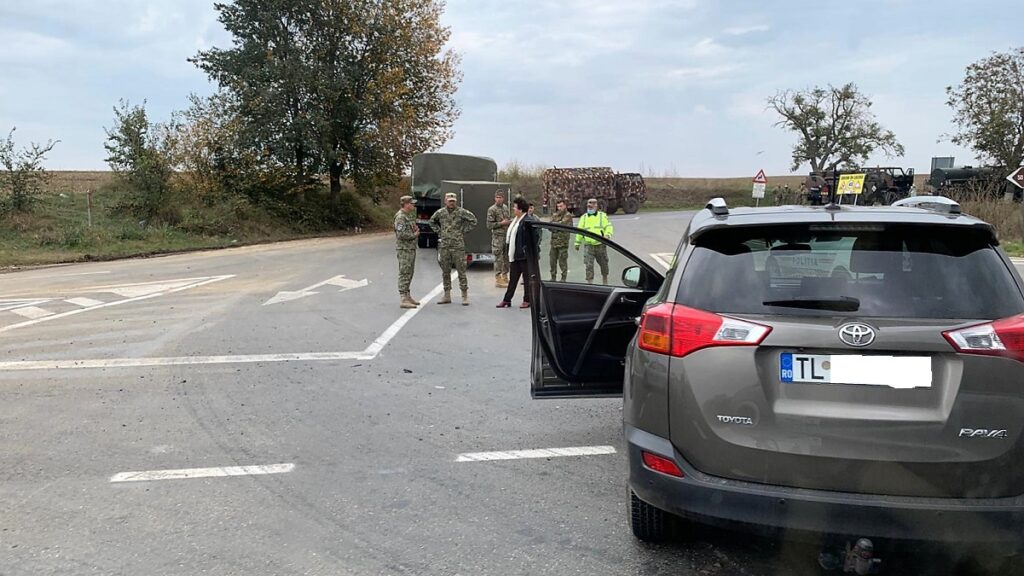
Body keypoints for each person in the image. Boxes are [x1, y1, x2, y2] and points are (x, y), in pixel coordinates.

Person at [429, 192, 478, 305]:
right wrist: (439, 232)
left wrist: (462, 231)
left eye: (453, 201)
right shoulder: (440, 212)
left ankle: (464, 295)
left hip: (457, 246)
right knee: (445, 271)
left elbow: (473, 221)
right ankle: (447, 295)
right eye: (450, 201)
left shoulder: (461, 212)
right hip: (445, 246)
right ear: (445, 201)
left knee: (461, 271)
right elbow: (431, 221)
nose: (451, 203)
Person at [496, 197, 537, 309]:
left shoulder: (527, 221)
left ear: (520, 209)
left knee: (527, 279)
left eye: (515, 207)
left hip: (524, 256)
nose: (513, 209)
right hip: (515, 255)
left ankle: (527, 300)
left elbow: (534, 238)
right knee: (513, 279)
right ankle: (507, 300)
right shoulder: (515, 220)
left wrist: (527, 251)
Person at [575, 197, 613, 284]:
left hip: (600, 245)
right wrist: (577, 242)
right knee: (588, 265)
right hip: (588, 245)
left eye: (592, 205)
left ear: (596, 206)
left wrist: (607, 235)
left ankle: (605, 280)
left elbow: (608, 226)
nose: (590, 206)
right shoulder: (583, 218)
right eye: (589, 205)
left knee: (604, 264)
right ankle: (590, 283)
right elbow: (579, 231)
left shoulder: (602, 216)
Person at [394, 195, 421, 309]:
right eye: (411, 203)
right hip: (404, 249)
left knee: (409, 272)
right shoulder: (401, 217)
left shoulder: (407, 216)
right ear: (405, 204)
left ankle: (407, 295)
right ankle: (403, 298)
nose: (413, 205)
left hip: (410, 248)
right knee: (404, 272)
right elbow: (401, 234)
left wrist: (415, 229)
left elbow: (409, 229)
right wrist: (414, 235)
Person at [486, 191, 511, 288]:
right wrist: (501, 223)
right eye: (497, 197)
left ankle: (505, 275)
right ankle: (498, 278)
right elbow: (489, 225)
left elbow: (508, 219)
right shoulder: (492, 209)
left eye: (500, 197)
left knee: (506, 257)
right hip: (498, 237)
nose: (498, 199)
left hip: (506, 236)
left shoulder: (505, 208)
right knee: (498, 258)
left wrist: (509, 222)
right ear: (494, 198)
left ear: (503, 198)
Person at [548, 198, 573, 281]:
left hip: (563, 243)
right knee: (552, 261)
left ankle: (563, 278)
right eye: (558, 206)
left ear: (565, 206)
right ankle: (553, 277)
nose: (559, 208)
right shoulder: (555, 215)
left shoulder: (568, 215)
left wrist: (556, 226)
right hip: (554, 242)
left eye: (561, 206)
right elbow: (550, 226)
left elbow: (562, 225)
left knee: (562, 262)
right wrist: (557, 226)